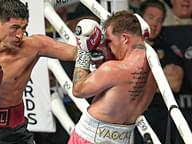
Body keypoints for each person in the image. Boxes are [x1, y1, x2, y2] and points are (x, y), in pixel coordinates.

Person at [0, 0, 104, 143]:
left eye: (24, 28)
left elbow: (77, 53)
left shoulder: (34, 46)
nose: (20, 35)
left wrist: (91, 46)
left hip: (12, 132)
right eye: (14, 28)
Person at [68, 10, 157, 144]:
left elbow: (78, 90)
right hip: (122, 139)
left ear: (125, 38)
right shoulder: (154, 67)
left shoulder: (114, 69)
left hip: (89, 138)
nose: (109, 46)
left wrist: (83, 51)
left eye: (109, 41)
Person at [133, 0, 184, 143]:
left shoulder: (167, 48)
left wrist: (138, 82)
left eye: (159, 20)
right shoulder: (125, 46)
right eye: (150, 17)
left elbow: (174, 83)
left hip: (157, 114)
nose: (155, 24)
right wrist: (158, 78)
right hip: (127, 115)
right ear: (139, 20)